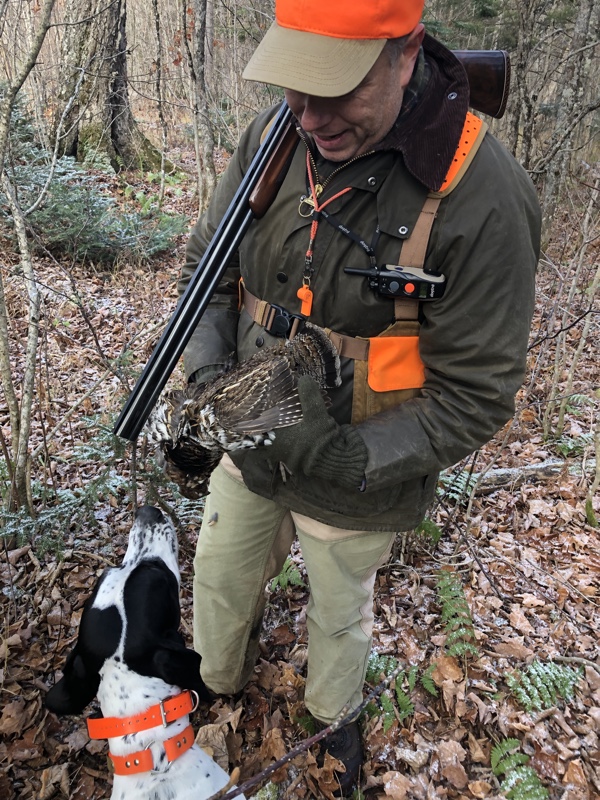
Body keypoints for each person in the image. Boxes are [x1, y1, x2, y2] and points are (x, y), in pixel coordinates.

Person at [179, 0, 541, 794]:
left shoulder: (483, 194)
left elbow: (477, 392)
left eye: (333, 89)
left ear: (406, 55)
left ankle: (331, 721)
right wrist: (208, 378)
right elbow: (206, 276)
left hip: (364, 462)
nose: (306, 116)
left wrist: (350, 456)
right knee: (218, 570)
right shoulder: (275, 136)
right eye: (294, 86)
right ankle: (212, 683)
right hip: (250, 427)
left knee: (338, 611)